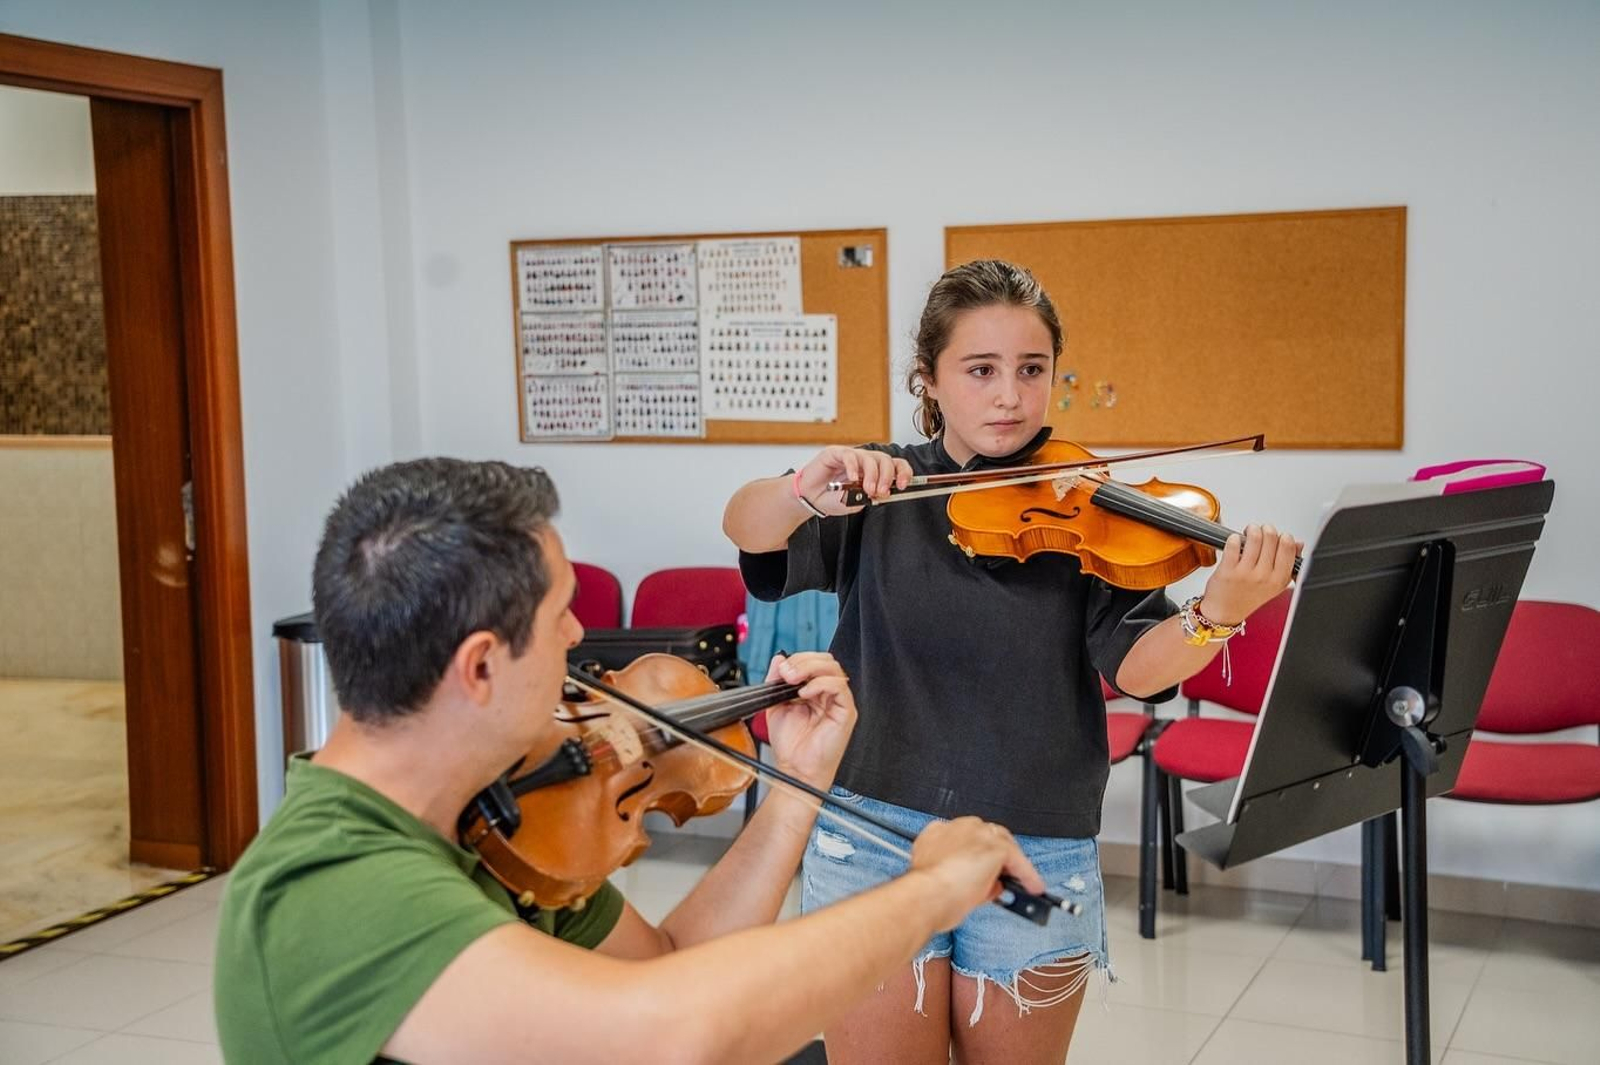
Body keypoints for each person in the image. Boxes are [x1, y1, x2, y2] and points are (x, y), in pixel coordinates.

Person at [213, 457, 1045, 1065]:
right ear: (479, 666)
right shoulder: (331, 888)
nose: (581, 638)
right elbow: (673, 1033)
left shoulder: (491, 816)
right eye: (560, 616)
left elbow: (668, 964)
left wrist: (798, 785)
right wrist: (928, 892)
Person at [723, 260, 1300, 1064]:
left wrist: (1219, 613)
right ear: (929, 378)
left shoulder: (1087, 501)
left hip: (1039, 840)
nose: (1009, 396)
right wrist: (801, 490)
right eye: (980, 369)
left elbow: (1138, 669)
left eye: (1032, 370)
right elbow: (747, 527)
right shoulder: (879, 487)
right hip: (870, 832)